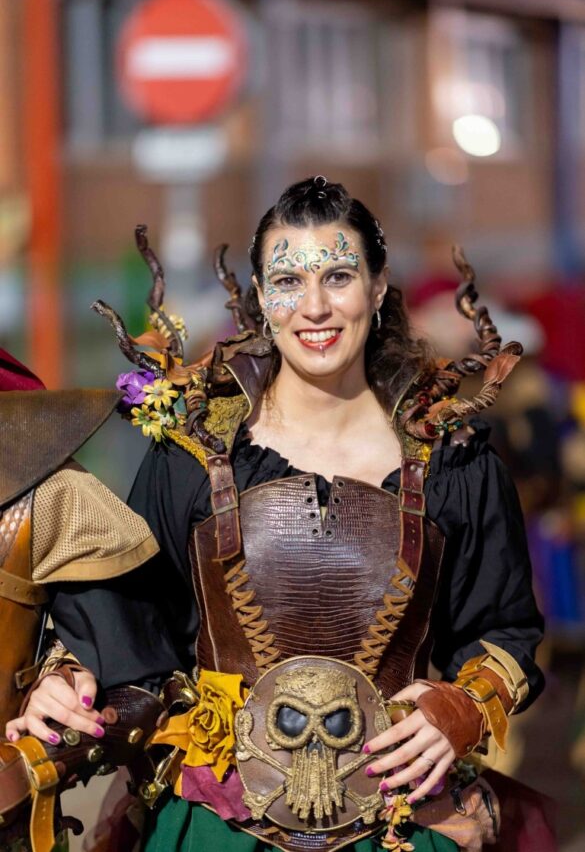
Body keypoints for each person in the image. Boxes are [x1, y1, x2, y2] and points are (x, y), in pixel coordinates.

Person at [5, 178, 545, 852]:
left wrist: (461, 708)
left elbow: (504, 632)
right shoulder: (192, 455)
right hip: (214, 829)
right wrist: (67, 682)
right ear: (261, 295)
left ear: (378, 287)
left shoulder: (454, 464)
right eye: (289, 281)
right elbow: (125, 634)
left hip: (400, 825)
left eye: (339, 276)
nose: (314, 307)